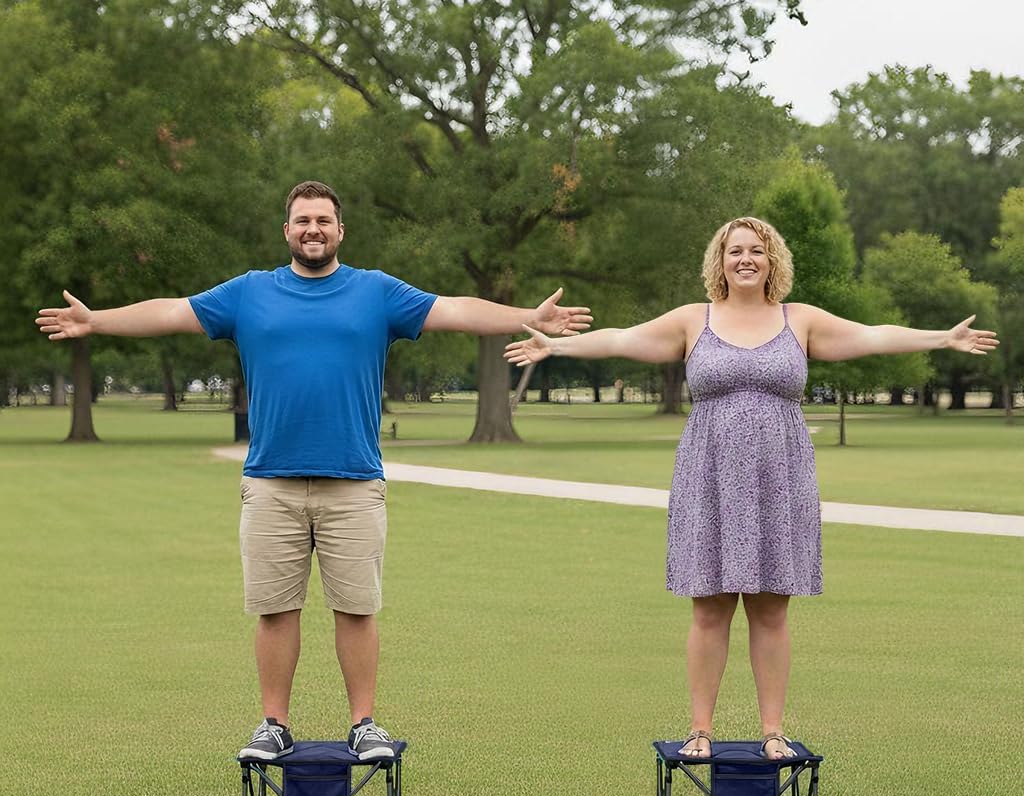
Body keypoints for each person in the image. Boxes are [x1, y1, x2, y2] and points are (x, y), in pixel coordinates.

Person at [38, 180, 593, 761]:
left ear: (340, 230)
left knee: (356, 609)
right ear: (287, 230)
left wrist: (528, 314)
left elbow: (455, 309)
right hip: (271, 482)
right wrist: (97, 321)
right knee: (275, 610)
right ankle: (274, 723)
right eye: (303, 220)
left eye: (323, 220)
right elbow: (172, 312)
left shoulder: (377, 292)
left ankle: (364, 724)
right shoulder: (249, 294)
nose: (313, 229)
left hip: (353, 483)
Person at [505, 216, 998, 759]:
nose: (745, 259)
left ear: (772, 261)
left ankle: (772, 732)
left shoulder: (800, 320)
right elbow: (624, 338)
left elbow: (872, 335)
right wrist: (555, 349)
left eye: (756, 251)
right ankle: (700, 730)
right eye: (734, 250)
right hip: (708, 477)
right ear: (719, 261)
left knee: (771, 610)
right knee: (709, 608)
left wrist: (943, 337)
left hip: (779, 480)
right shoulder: (694, 320)